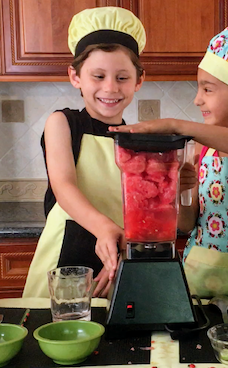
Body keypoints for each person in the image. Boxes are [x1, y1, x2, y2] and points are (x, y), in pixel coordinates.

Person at [110, 21, 228, 297]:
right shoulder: (199, 150)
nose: (197, 100)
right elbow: (187, 224)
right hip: (200, 285)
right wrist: (183, 192)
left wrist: (177, 125)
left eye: (207, 89)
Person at [23, 7, 146, 298]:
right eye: (98, 76)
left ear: (139, 80)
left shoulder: (138, 139)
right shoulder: (63, 123)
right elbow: (64, 186)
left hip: (114, 261)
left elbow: (139, 212)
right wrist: (105, 230)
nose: (110, 87)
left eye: (122, 78)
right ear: (75, 76)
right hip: (65, 257)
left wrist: (124, 253)